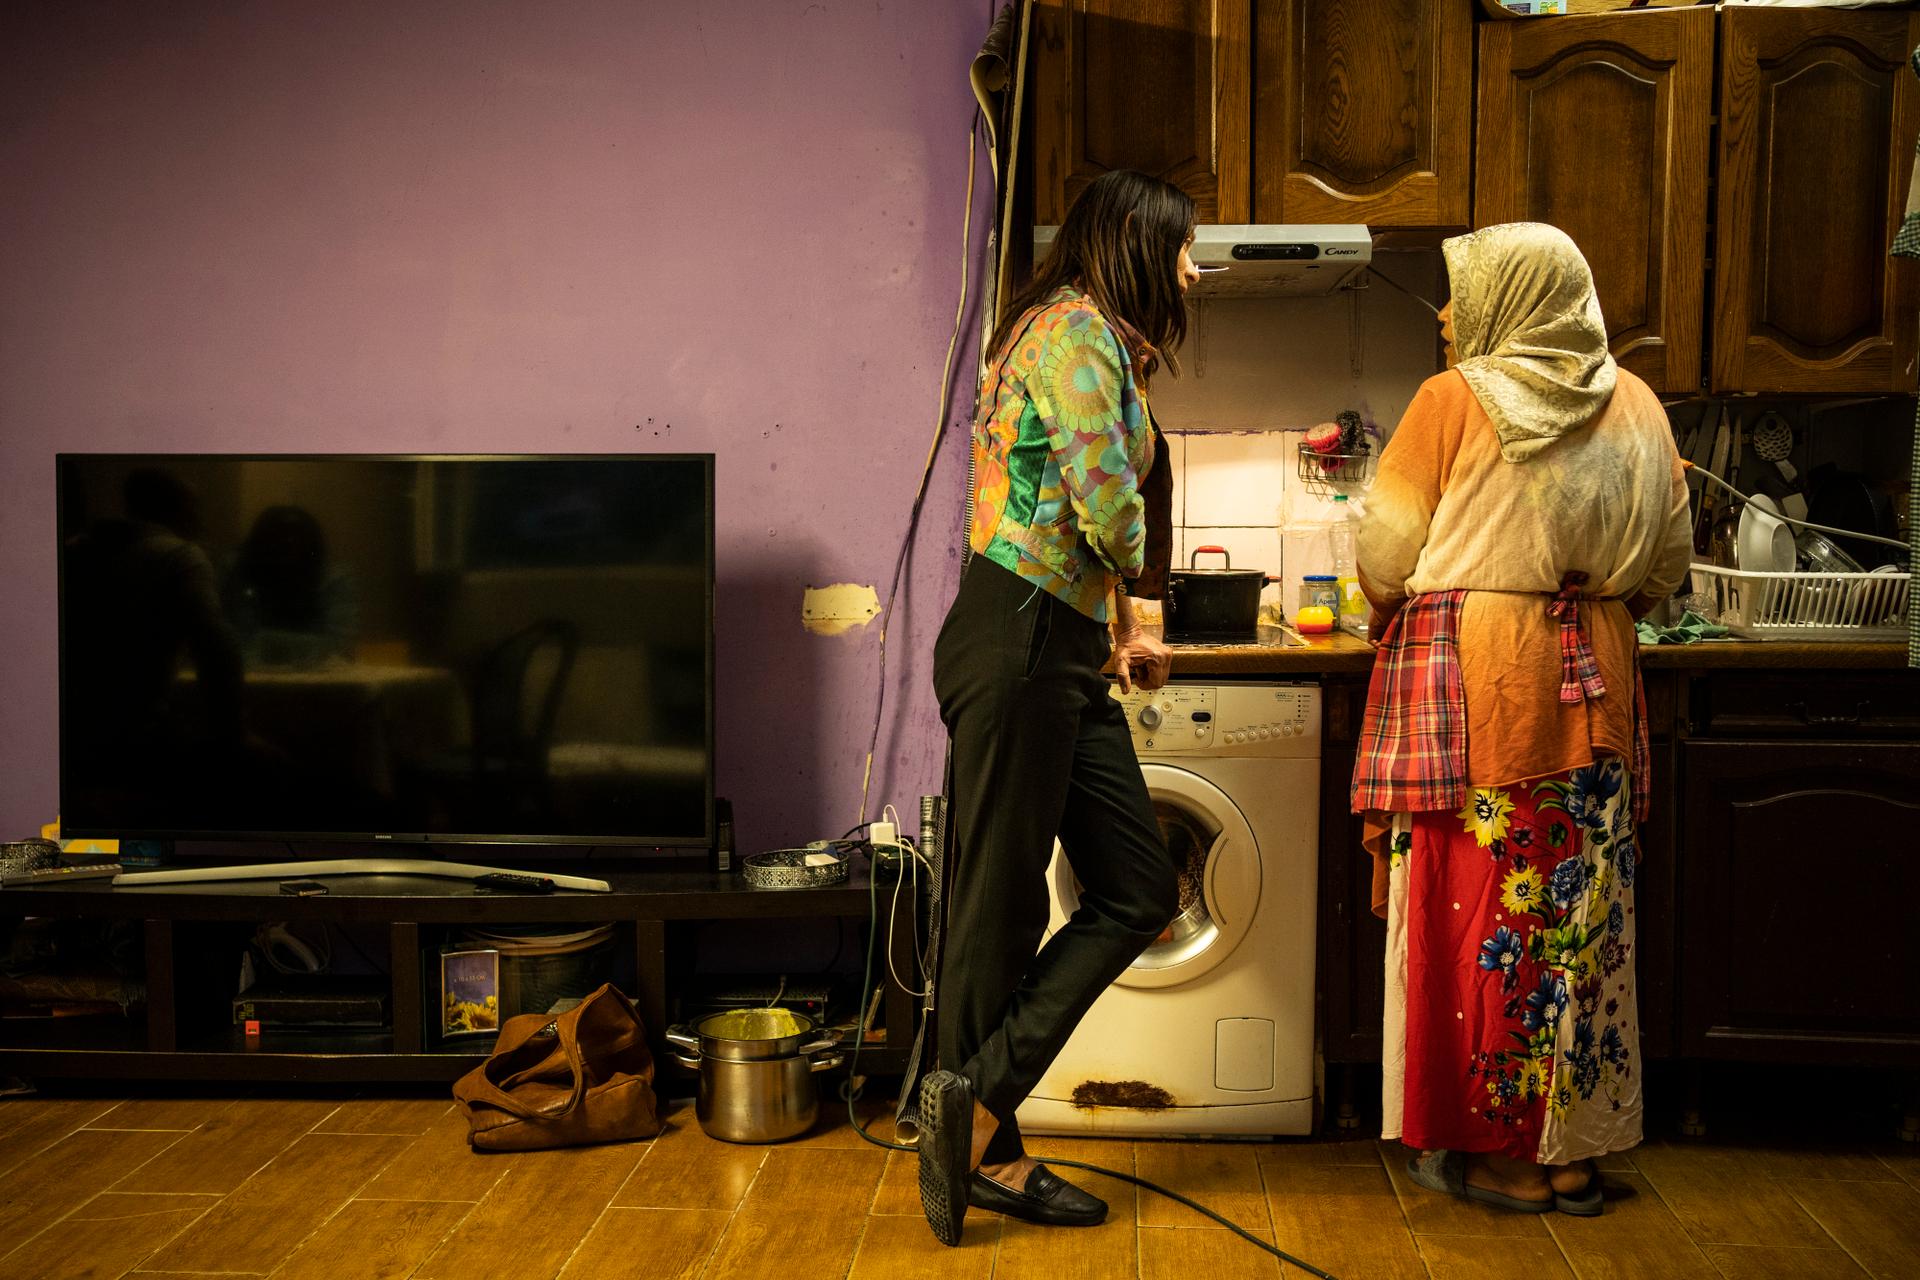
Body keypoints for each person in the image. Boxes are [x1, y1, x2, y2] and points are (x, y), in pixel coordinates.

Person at [1352, 223, 1693, 1216]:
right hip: (1598, 685)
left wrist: (1392, 599)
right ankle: (1572, 1152)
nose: (1451, 315)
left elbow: (1384, 548)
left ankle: (1504, 1153)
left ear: (1511, 300)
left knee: (1491, 915)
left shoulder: (1452, 398)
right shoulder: (1636, 401)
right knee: (1583, 921)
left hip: (1486, 683)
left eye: (1464, 292)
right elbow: (1667, 566)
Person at [916, 169, 1199, 1246]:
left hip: (1058, 641)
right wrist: (1139, 592)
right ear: (1130, 234)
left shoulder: (1096, 341)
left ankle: (974, 1102)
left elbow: (1095, 522)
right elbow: (1111, 509)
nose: (1192, 267)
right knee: (995, 907)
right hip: (1020, 633)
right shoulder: (1071, 332)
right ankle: (990, 1142)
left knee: (1136, 883)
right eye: (1181, 244)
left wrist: (1126, 628)